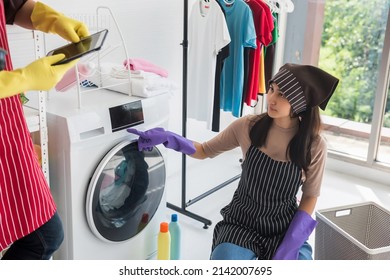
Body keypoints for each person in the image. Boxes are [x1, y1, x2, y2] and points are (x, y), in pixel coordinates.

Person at [127, 63, 339, 260]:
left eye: (282, 94)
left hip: (283, 227)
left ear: (299, 103)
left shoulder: (314, 145)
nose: (271, 98)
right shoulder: (248, 126)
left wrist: (291, 243)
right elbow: (204, 150)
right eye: (272, 89)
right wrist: (169, 138)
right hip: (241, 224)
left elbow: (310, 195)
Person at [0, 0, 89, 260]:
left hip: (6, 113)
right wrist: (24, 78)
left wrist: (51, 19)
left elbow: (12, 6)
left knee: (46, 235)